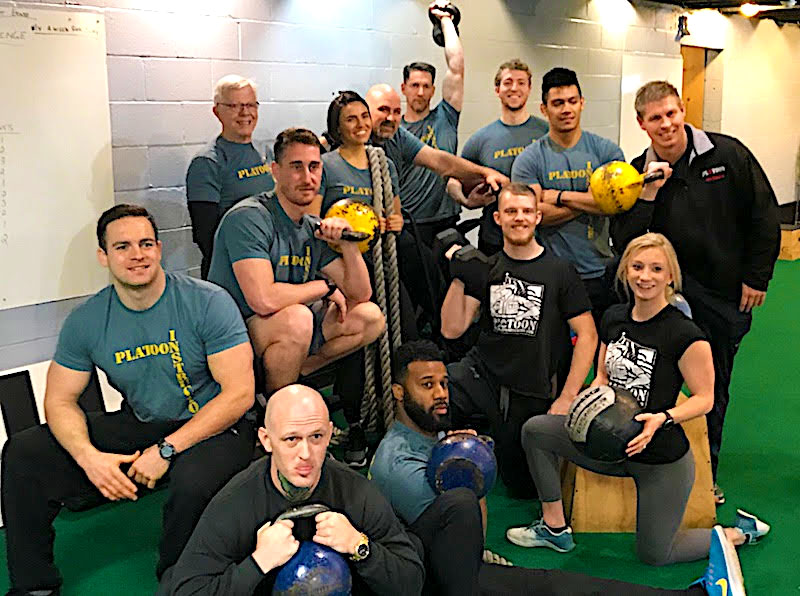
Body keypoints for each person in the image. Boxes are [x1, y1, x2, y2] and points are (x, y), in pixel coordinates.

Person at [2, 205, 257, 595]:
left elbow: (238, 393)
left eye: (146, 243)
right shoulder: (87, 320)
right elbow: (59, 400)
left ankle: (179, 581)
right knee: (24, 453)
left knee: (192, 484)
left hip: (216, 425)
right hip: (144, 422)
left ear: (158, 249)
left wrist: (167, 451)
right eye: (122, 246)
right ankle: (34, 585)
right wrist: (89, 457)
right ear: (104, 256)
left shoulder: (207, 301)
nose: (137, 254)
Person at [370, 340, 749, 596]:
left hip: (449, 565)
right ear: (399, 392)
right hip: (439, 579)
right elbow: (466, 544)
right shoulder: (399, 463)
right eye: (426, 385)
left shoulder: (431, 436)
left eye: (442, 383)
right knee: (558, 588)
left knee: (561, 585)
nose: (440, 394)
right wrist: (473, 473)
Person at [507, 233, 770, 566]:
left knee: (656, 554)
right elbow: (602, 374)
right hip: (607, 445)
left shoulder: (684, 333)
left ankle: (738, 533)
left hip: (658, 458)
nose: (645, 276)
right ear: (625, 272)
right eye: (638, 267)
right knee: (536, 431)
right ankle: (554, 528)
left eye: (656, 269)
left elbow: (704, 399)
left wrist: (663, 417)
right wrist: (592, 394)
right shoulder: (614, 317)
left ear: (670, 276)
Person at [611, 80, 781, 502]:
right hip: (667, 301)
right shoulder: (635, 172)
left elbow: (764, 215)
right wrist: (649, 191)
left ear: (682, 110)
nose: (666, 124)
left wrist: (757, 277)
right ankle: (646, 464)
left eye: (671, 113)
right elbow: (624, 239)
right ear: (641, 124)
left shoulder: (728, 154)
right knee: (658, 387)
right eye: (655, 118)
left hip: (725, 295)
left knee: (712, 387)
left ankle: (708, 475)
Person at [158, 384, 425, 595]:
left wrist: (359, 545)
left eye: (316, 437)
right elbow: (186, 590)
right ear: (266, 440)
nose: (306, 454)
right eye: (291, 439)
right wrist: (258, 563)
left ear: (331, 435)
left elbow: (411, 582)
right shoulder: (235, 503)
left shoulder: (355, 491)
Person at [440, 183, 597, 498]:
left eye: (526, 211)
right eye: (511, 211)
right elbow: (451, 329)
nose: (519, 218)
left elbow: (589, 335)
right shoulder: (486, 267)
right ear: (498, 218)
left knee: (522, 488)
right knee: (437, 389)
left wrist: (567, 397)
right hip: (484, 376)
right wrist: (460, 275)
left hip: (530, 388)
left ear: (538, 217)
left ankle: (496, 439)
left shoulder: (560, 271)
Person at [207, 127, 384, 398]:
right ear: (275, 171)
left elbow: (360, 294)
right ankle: (277, 413)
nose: (307, 177)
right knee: (298, 319)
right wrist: (324, 287)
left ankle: (297, 374)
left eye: (314, 167)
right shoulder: (249, 218)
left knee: (370, 318)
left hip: (284, 329)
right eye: (296, 167)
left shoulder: (311, 227)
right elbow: (263, 300)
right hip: (235, 334)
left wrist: (348, 244)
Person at [511, 67, 626, 324]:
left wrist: (559, 196)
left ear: (582, 103)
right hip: (551, 272)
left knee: (600, 352)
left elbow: (616, 206)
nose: (566, 109)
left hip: (600, 270)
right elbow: (536, 217)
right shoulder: (529, 160)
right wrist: (593, 200)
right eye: (558, 103)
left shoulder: (606, 151)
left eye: (573, 101)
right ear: (544, 109)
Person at [447, 59, 549, 256]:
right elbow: (453, 181)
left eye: (521, 83)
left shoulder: (546, 134)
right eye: (508, 82)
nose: (514, 88)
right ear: (497, 89)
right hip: (494, 239)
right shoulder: (481, 139)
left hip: (540, 236)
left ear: (529, 89)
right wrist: (467, 202)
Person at [186, 75, 274, 279]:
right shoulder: (207, 162)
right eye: (235, 105)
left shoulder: (265, 152)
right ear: (217, 111)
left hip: (269, 264)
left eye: (250, 104)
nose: (245, 113)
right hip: (234, 273)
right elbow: (206, 236)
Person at [399, 0, 465, 244]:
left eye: (426, 86)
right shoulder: (395, 131)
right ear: (404, 88)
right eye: (415, 85)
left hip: (445, 223)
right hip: (407, 226)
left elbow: (456, 67)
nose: (420, 92)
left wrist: (446, 20)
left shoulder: (445, 118)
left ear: (433, 89)